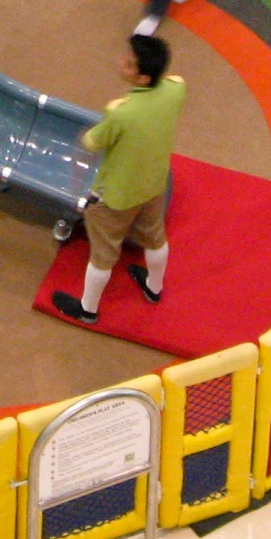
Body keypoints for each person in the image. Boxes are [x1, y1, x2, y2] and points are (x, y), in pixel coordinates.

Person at [53, 34, 184, 324]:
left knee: (103, 252)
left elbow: (91, 141)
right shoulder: (176, 91)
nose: (121, 62)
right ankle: (154, 287)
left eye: (128, 63)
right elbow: (174, 82)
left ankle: (87, 309)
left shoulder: (120, 114)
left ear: (142, 76)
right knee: (154, 236)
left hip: (116, 197)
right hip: (153, 184)